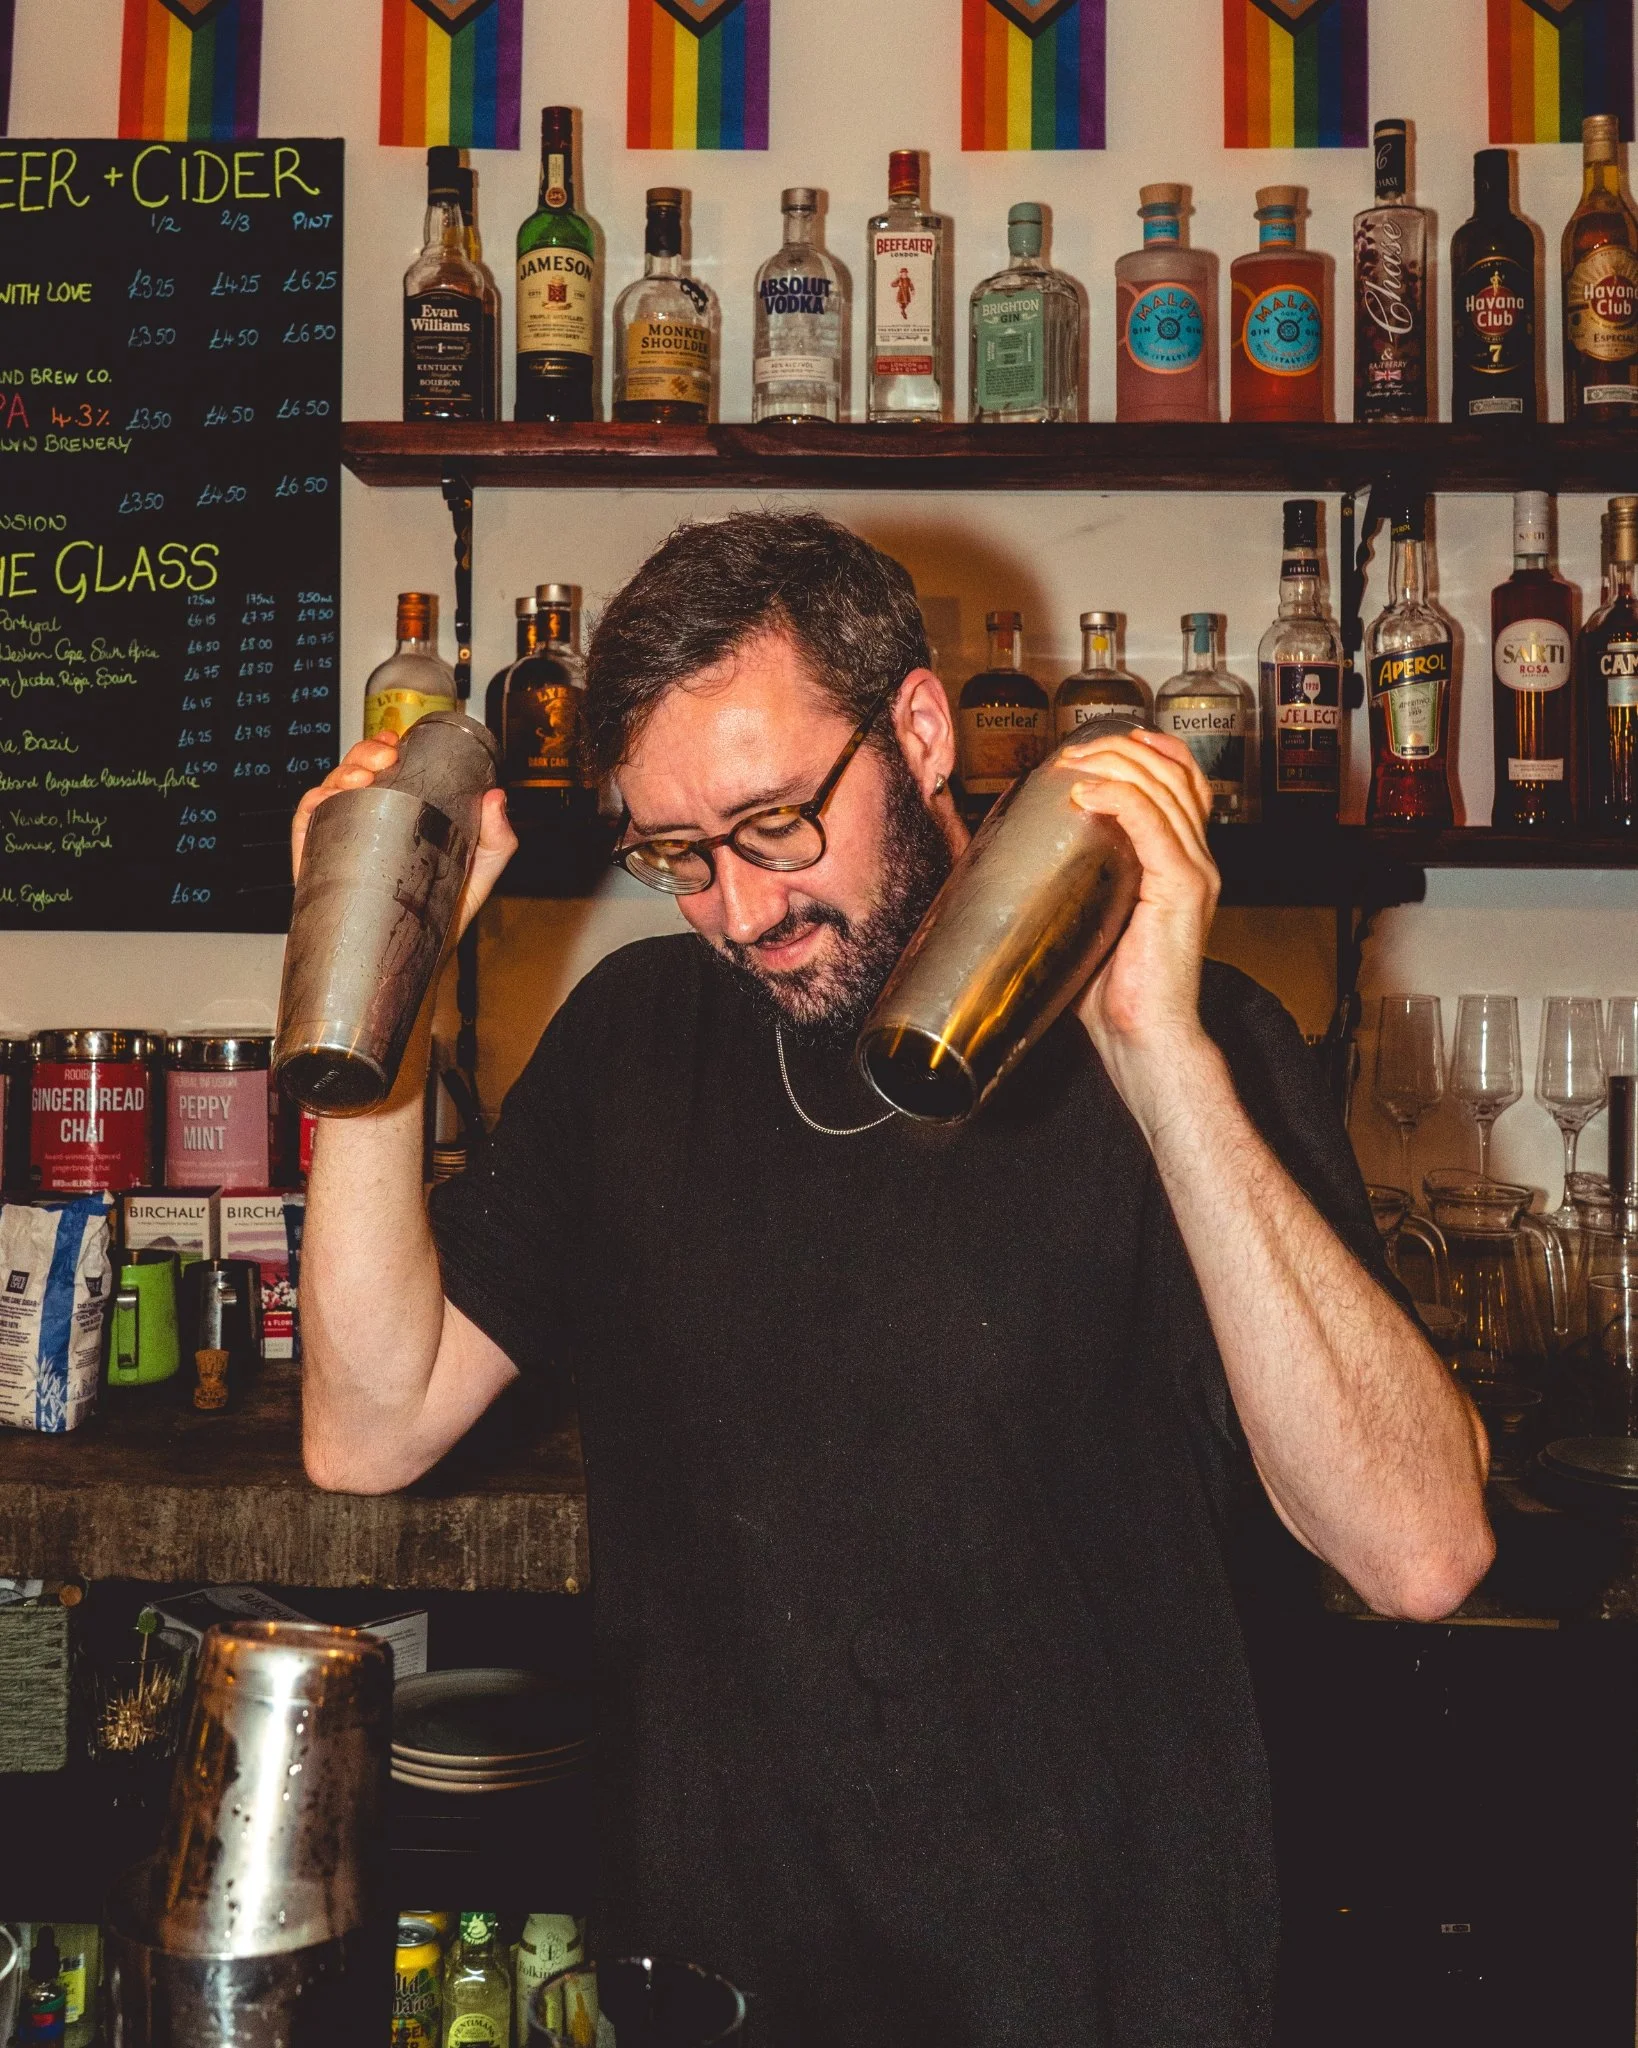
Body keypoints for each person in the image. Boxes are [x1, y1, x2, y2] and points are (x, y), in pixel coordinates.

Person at [297, 512, 1491, 2046]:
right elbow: (368, 1429)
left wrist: (1158, 1055)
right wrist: (374, 1003)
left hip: (1095, 1989)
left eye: (776, 821)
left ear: (917, 730)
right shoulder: (632, 1040)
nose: (740, 910)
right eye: (674, 856)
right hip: (717, 1982)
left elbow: (1417, 1554)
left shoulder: (1196, 1040)